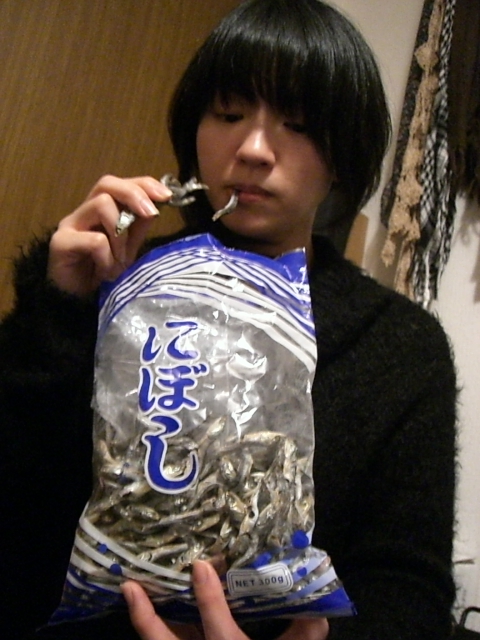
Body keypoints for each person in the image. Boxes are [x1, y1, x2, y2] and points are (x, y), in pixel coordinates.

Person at [0, 0, 457, 638]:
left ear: (342, 158)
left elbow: (409, 591)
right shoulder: (119, 283)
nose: (253, 149)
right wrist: (59, 306)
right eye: (229, 114)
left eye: (298, 124)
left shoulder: (401, 348)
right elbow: (19, 509)